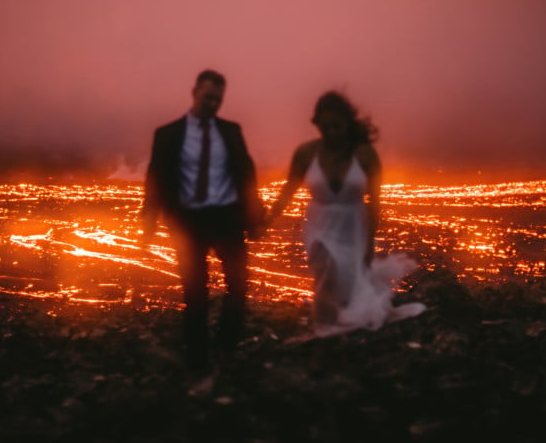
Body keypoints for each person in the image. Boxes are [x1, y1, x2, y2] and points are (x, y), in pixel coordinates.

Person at [267, 90, 425, 337]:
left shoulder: (365, 155)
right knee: (324, 271)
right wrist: (269, 218)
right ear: (316, 124)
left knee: (348, 280)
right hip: (320, 222)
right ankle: (324, 327)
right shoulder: (306, 153)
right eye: (325, 126)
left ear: (347, 123)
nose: (331, 132)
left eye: (337, 126)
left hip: (353, 224)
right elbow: (289, 189)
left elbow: (374, 202)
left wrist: (369, 241)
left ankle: (341, 325)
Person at [141, 69, 264, 372]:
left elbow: (246, 174)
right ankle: (198, 356)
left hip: (227, 217)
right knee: (194, 291)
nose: (212, 104)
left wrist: (255, 214)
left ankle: (226, 345)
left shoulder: (231, 131)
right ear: (193, 92)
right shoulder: (168, 134)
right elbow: (155, 179)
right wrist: (149, 221)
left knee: (238, 285)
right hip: (189, 221)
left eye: (218, 100)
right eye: (208, 97)